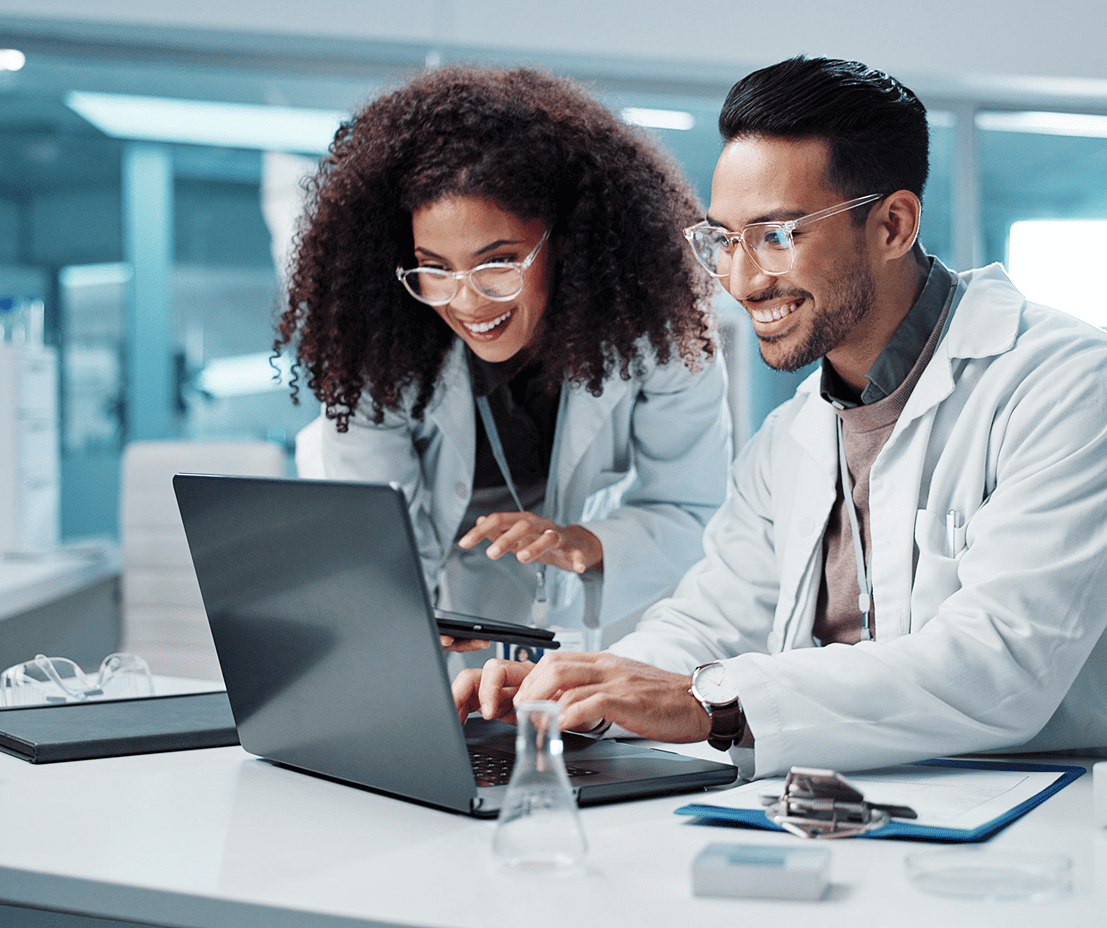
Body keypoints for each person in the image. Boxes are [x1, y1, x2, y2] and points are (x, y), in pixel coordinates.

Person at [455, 56, 1107, 779]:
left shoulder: (1066, 385)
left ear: (893, 224)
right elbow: (709, 621)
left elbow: (1001, 665)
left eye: (778, 236)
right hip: (833, 798)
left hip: (1036, 807)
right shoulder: (791, 437)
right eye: (724, 241)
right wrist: (587, 689)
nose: (740, 280)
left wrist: (715, 701)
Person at [277, 66, 732, 648]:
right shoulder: (377, 356)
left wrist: (584, 543)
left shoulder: (658, 337)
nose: (467, 301)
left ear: (564, 240)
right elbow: (379, 545)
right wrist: (406, 611)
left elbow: (693, 508)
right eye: (434, 268)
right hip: (447, 592)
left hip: (602, 594)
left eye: (497, 263)